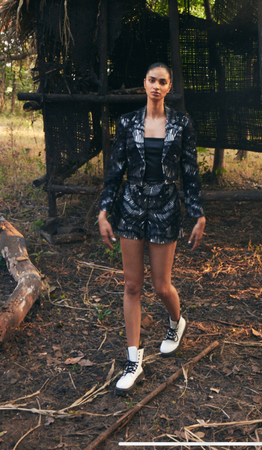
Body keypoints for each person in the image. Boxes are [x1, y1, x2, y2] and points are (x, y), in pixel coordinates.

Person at [98, 62, 206, 395]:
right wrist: (104, 211)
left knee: (161, 287)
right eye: (151, 80)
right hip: (131, 205)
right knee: (132, 286)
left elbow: (190, 171)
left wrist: (197, 213)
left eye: (162, 82)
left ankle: (177, 323)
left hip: (166, 206)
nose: (156, 86)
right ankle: (133, 361)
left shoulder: (181, 123)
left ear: (169, 87)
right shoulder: (128, 123)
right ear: (143, 84)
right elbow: (115, 170)